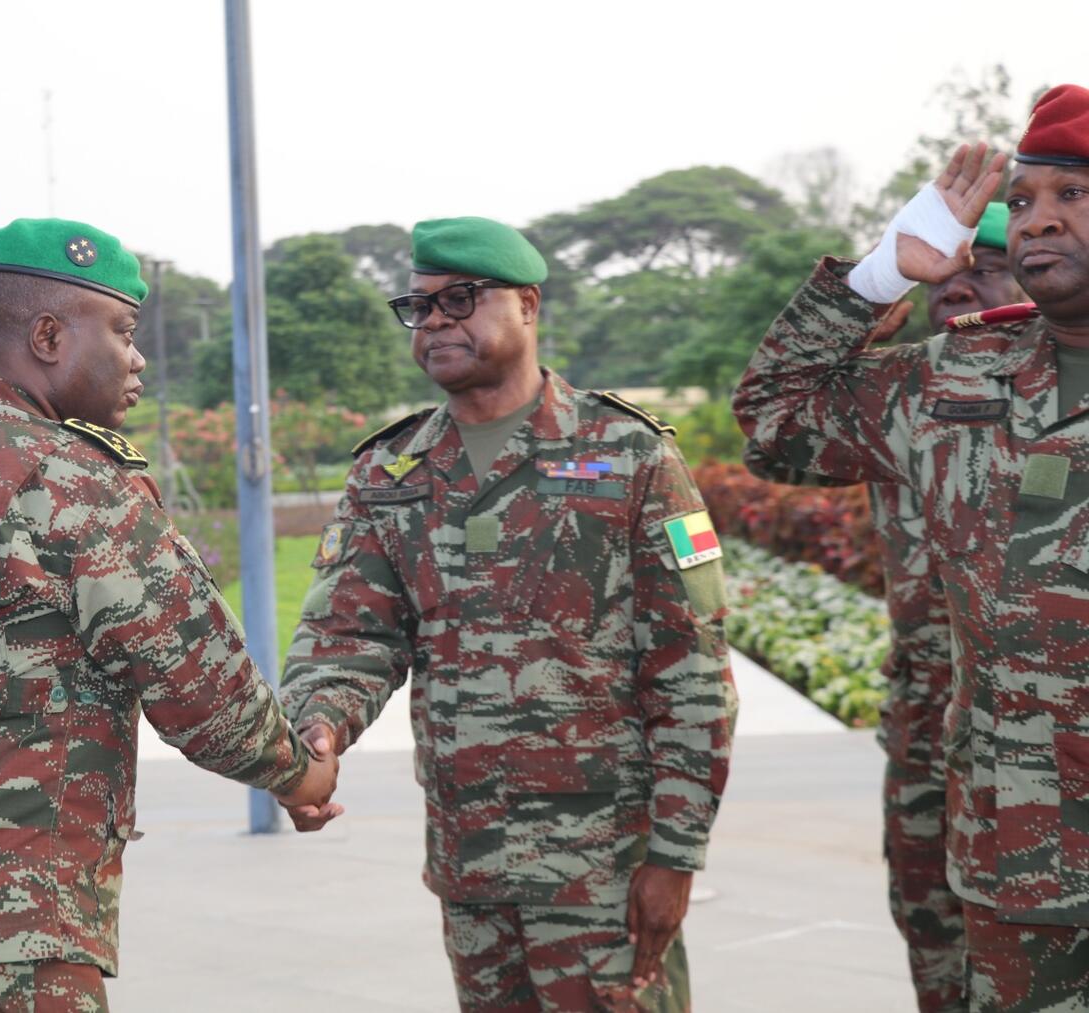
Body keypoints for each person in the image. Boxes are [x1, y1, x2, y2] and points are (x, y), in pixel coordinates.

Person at [0, 218, 337, 1012]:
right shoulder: (75, 484)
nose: (137, 358)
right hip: (2, 924)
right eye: (123, 330)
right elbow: (201, 687)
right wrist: (300, 772)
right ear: (49, 336)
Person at [278, 217, 737, 1011]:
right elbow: (349, 635)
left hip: (603, 868)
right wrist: (315, 728)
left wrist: (676, 853)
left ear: (527, 304)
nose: (435, 322)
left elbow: (690, 667)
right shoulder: (391, 471)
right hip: (471, 861)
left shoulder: (629, 453)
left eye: (459, 299)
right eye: (419, 306)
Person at [734, 85, 1089, 1011]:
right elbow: (774, 418)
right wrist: (879, 278)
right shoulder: (954, 377)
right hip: (1016, 853)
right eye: (1025, 199)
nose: (1038, 220)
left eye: (1072, 195)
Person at [743, 204, 1026, 1013]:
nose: (958, 286)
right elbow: (773, 431)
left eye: (987, 269)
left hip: (1051, 753)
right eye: (947, 272)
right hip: (929, 740)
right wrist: (871, 288)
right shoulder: (914, 394)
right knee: (937, 949)